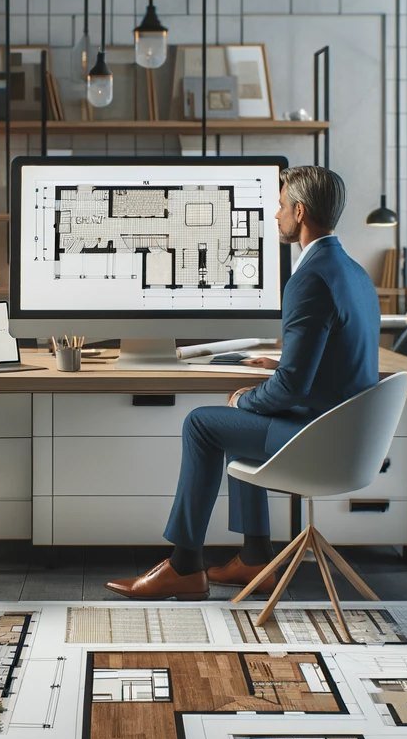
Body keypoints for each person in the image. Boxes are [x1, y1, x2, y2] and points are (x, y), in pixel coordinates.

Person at [106, 165, 380, 601]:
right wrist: (282, 362)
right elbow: (337, 355)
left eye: (281, 205)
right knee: (238, 420)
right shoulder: (352, 271)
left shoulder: (308, 279)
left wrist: (248, 397)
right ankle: (255, 559)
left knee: (203, 422)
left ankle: (183, 566)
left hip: (318, 437)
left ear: (301, 211)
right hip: (348, 432)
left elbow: (289, 389)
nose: (275, 215)